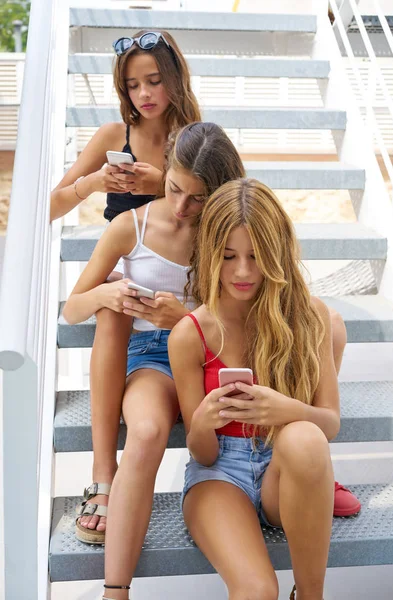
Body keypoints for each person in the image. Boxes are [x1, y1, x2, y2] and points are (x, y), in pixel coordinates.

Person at [62, 122, 246, 599]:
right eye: (175, 188)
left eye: (198, 198)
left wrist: (183, 317)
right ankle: (116, 589)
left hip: (217, 352)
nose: (183, 207)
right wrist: (107, 291)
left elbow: (248, 320)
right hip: (153, 359)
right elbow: (72, 307)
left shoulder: (230, 236)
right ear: (164, 170)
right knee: (144, 431)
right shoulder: (132, 225)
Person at [52, 30, 201, 544]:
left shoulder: (196, 138)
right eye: (133, 84)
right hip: (127, 263)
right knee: (110, 300)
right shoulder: (113, 133)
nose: (145, 94)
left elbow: (223, 202)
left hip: (180, 277)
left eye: (155, 80)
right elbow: (51, 205)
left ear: (175, 78)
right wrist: (93, 184)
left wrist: (160, 182)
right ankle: (102, 475)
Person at [168, 178, 341, 600]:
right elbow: (201, 452)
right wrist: (204, 424)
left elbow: (329, 424)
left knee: (304, 436)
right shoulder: (190, 334)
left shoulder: (311, 317)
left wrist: (285, 410)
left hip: (285, 468)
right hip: (219, 473)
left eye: (256, 256)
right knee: (257, 590)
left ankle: (311, 594)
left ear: (277, 255)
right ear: (211, 254)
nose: (242, 271)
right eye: (228, 256)